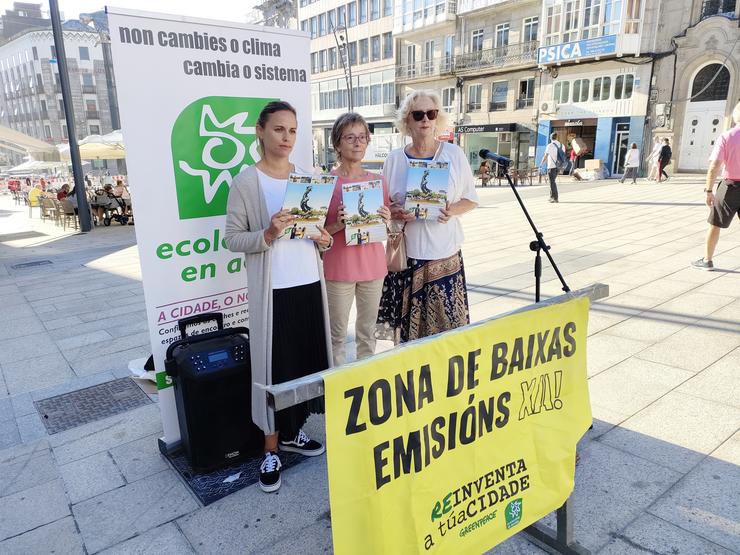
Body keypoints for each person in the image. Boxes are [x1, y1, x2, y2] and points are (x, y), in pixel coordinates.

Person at [224, 101, 333, 493]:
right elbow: (233, 237)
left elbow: (318, 235)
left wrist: (323, 239)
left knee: (304, 366)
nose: (286, 138)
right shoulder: (246, 182)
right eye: (278, 130)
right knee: (274, 370)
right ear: (260, 131)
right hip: (272, 293)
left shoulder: (308, 178)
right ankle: (270, 448)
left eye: (292, 131)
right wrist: (267, 234)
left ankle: (293, 432)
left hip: (307, 286)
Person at [376, 90, 478, 344]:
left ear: (437, 119)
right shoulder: (394, 159)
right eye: (418, 114)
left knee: (448, 333)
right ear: (407, 121)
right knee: (410, 336)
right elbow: (383, 205)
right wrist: (395, 213)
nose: (425, 119)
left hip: (445, 253)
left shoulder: (453, 155)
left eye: (431, 114)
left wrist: (451, 210)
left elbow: (471, 199)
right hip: (408, 256)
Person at [322, 112, 390, 367]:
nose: (358, 143)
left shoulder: (378, 181)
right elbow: (315, 233)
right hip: (339, 269)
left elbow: (388, 226)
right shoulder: (325, 182)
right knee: (336, 336)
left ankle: (366, 381)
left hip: (373, 267)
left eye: (362, 137)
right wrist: (339, 224)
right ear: (337, 143)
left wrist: (386, 218)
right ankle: (338, 384)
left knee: (367, 332)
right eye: (350, 137)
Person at [691, 102, 740, 271]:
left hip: (730, 187)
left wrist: (709, 190)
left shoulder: (727, 136)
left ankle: (707, 260)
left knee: (715, 224)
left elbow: (714, 166)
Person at [541, 132, 563, 202]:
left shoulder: (550, 146)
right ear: (557, 138)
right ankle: (551, 196)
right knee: (552, 182)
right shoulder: (561, 145)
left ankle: (555, 198)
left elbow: (545, 156)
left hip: (551, 166)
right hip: (559, 166)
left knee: (552, 182)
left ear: (550, 138)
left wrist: (541, 164)